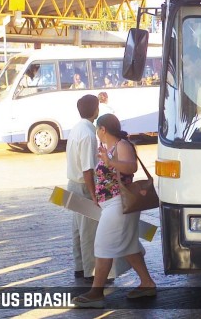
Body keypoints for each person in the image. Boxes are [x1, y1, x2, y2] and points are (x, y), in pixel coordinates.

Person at [73, 113, 156, 308]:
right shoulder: (108, 147)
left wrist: (109, 162)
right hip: (111, 203)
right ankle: (147, 283)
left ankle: (96, 292)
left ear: (103, 129)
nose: (97, 134)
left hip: (120, 203)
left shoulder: (122, 145)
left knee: (102, 246)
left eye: (97, 130)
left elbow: (131, 167)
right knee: (128, 246)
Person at [66, 94, 100, 282]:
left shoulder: (76, 128)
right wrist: (94, 196)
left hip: (72, 184)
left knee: (78, 230)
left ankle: (80, 267)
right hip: (83, 186)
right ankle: (91, 271)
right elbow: (88, 170)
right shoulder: (88, 134)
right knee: (88, 232)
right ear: (96, 110)